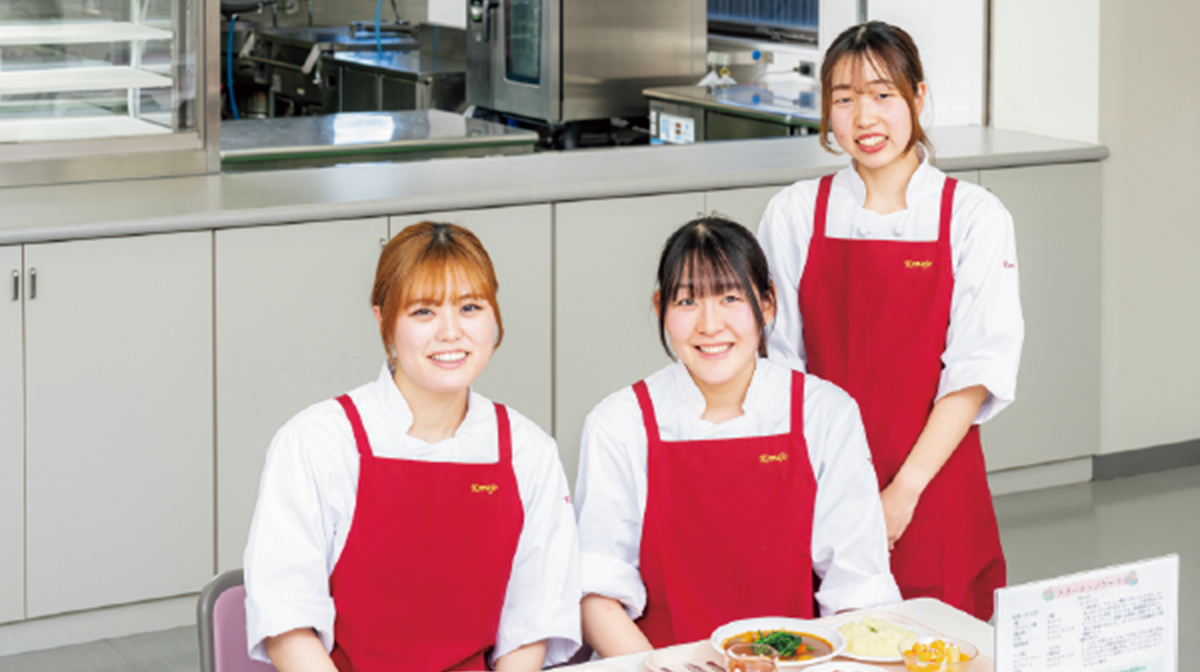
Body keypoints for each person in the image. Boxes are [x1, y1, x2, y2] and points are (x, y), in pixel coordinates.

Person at [756, 21, 1024, 622]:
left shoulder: (973, 217)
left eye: (883, 94)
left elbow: (977, 367)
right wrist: (831, 491)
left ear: (918, 97)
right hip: (819, 479)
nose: (864, 118)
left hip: (934, 483)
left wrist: (902, 493)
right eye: (844, 99)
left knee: (939, 638)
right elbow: (779, 362)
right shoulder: (796, 212)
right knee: (821, 641)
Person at [243, 222, 581, 672]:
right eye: (424, 311)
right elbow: (287, 624)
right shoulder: (316, 443)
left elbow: (529, 624)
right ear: (383, 321)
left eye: (470, 307)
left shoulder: (528, 451)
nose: (451, 332)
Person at [574, 217, 900, 657]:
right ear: (660, 308)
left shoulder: (825, 413)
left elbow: (858, 588)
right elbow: (597, 594)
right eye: (687, 301)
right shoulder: (619, 423)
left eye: (730, 298)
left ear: (767, 305)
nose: (710, 325)